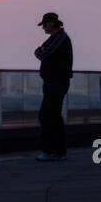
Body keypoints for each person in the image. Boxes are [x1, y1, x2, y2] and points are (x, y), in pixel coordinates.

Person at [33, 12, 73, 162]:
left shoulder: (60, 38)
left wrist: (40, 53)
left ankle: (49, 151)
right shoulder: (54, 39)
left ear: (51, 23)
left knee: (46, 115)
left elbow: (42, 53)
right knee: (54, 116)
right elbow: (40, 52)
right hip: (52, 81)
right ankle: (59, 151)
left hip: (57, 82)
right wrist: (40, 53)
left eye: (44, 24)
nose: (43, 28)